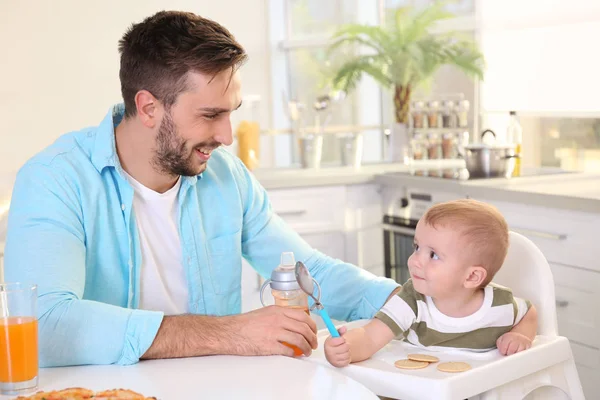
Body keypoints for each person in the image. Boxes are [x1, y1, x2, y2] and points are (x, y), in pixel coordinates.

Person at [4, 11, 400, 367]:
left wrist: (411, 301)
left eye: (231, 114)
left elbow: (307, 272)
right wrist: (231, 333)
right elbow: (45, 324)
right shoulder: (54, 180)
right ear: (147, 108)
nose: (227, 136)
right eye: (211, 115)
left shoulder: (226, 175)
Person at [324, 199, 538, 368]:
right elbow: (371, 336)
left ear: (472, 277)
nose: (415, 260)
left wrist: (519, 335)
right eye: (417, 247)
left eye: (433, 255)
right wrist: (347, 348)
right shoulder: (411, 301)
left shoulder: (501, 304)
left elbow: (528, 313)